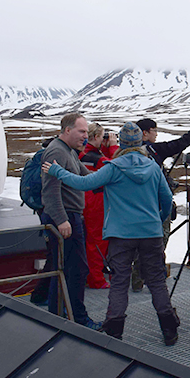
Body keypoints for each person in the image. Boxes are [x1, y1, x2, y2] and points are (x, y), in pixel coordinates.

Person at [43, 122, 180, 345]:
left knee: (119, 282)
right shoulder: (153, 167)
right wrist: (158, 218)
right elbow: (166, 199)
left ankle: (115, 331)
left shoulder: (113, 167)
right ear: (139, 144)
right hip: (150, 233)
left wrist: (57, 170)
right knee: (156, 281)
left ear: (122, 144)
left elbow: (84, 183)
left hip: (121, 235)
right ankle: (169, 330)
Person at [131, 111, 190, 292]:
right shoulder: (154, 151)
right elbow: (182, 142)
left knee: (140, 243)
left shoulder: (125, 154)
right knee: (158, 242)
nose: (156, 134)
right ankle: (154, 281)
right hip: (156, 207)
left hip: (137, 208)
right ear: (144, 133)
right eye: (153, 131)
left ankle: (136, 279)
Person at [39, 113, 101, 330]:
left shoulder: (69, 152)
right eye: (82, 131)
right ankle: (76, 319)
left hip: (72, 216)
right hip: (65, 219)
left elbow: (86, 178)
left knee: (67, 268)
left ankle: (61, 315)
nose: (86, 136)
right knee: (74, 270)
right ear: (67, 130)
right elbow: (50, 191)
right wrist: (62, 219)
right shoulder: (57, 151)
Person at [79, 123, 118, 289]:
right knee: (97, 241)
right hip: (95, 200)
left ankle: (93, 274)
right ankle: (96, 279)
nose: (105, 140)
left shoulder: (83, 153)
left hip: (87, 198)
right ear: (95, 138)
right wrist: (114, 146)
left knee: (91, 239)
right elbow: (117, 168)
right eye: (102, 137)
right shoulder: (95, 158)